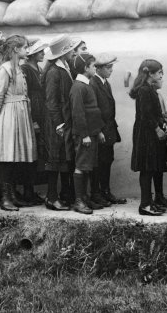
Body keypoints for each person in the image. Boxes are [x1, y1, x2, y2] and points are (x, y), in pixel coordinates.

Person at [0, 35, 37, 211]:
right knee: (7, 154)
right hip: (9, 114)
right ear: (16, 49)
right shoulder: (5, 68)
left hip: (22, 113)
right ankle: (5, 198)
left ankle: (14, 195)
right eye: (25, 47)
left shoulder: (19, 68)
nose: (27, 50)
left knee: (18, 154)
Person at [42, 34, 82, 211]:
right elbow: (51, 101)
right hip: (56, 124)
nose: (74, 53)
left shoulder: (65, 68)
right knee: (54, 160)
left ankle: (65, 195)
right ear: (63, 52)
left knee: (64, 158)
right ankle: (51, 197)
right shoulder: (53, 72)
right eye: (71, 49)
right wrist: (59, 124)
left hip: (65, 120)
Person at [130, 59, 167, 216]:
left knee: (151, 168)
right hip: (145, 135)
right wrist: (157, 128)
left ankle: (150, 202)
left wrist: (162, 124)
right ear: (149, 74)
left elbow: (155, 112)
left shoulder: (150, 89)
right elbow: (146, 114)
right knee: (146, 169)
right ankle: (145, 205)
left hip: (150, 133)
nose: (161, 76)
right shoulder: (144, 90)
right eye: (159, 72)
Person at [68, 53, 106, 215]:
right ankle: (78, 201)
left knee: (88, 166)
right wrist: (84, 135)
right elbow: (78, 114)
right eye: (92, 66)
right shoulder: (78, 87)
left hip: (92, 133)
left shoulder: (87, 85)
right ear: (85, 68)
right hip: (84, 135)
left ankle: (84, 197)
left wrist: (98, 132)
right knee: (81, 166)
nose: (95, 68)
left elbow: (93, 112)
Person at [89, 53, 124, 206]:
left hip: (109, 128)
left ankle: (106, 191)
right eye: (108, 68)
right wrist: (99, 131)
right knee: (98, 162)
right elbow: (93, 109)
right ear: (99, 68)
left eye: (111, 67)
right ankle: (96, 193)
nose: (111, 70)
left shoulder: (105, 82)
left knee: (107, 161)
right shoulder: (93, 83)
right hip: (101, 130)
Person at [20, 38, 49, 206]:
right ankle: (28, 191)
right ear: (31, 54)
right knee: (30, 153)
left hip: (41, 112)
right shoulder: (25, 69)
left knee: (38, 153)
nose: (43, 54)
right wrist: (31, 119)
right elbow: (26, 94)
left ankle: (33, 191)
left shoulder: (38, 67)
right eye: (40, 52)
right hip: (32, 113)